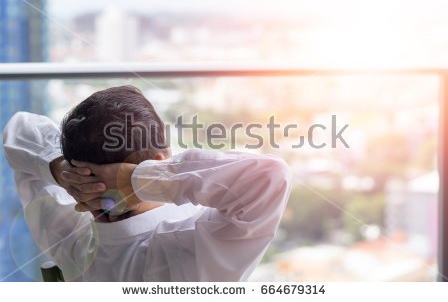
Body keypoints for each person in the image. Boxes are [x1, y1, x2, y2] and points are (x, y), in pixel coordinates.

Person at [3, 85, 292, 281]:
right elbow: (270, 176)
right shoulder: (191, 250)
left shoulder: (71, 240)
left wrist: (62, 170)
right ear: (158, 159)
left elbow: (18, 129)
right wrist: (141, 179)